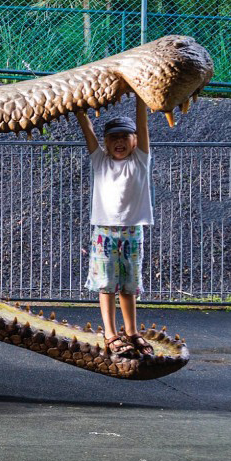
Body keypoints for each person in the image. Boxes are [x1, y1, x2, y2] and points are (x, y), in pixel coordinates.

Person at [74, 98, 155, 358]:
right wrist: (79, 110)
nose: (119, 142)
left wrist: (141, 102)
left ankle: (131, 331)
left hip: (132, 231)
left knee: (129, 285)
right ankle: (110, 333)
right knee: (107, 284)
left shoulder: (140, 160)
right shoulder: (100, 161)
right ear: (106, 143)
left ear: (134, 141)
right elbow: (89, 133)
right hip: (105, 233)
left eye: (125, 136)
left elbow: (143, 128)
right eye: (113, 138)